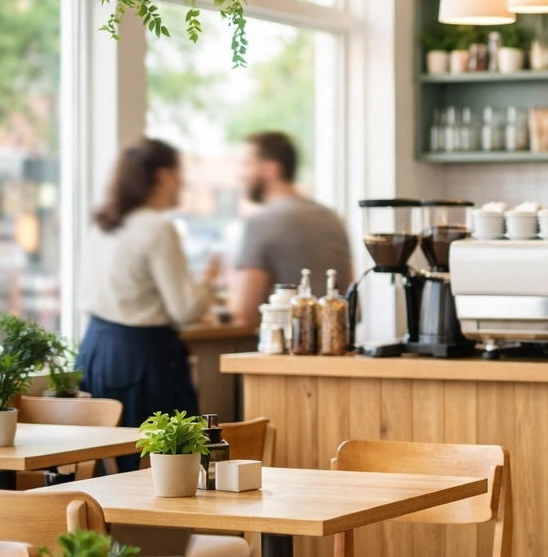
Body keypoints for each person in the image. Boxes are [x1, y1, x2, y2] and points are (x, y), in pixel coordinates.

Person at [78, 139, 213, 469]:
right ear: (163, 175)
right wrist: (208, 284)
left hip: (95, 351)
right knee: (170, 465)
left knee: (103, 465)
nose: (182, 181)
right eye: (179, 172)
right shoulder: (157, 228)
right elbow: (184, 309)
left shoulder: (102, 226)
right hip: (143, 358)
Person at [228, 131, 353, 326]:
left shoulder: (262, 222)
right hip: (339, 349)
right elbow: (351, 303)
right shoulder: (332, 218)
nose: (240, 175)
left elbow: (243, 313)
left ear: (271, 169)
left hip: (284, 350)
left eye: (247, 164)